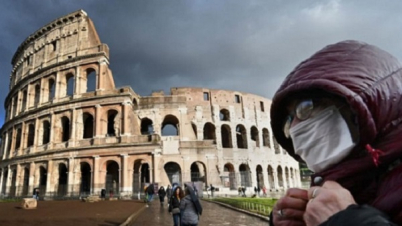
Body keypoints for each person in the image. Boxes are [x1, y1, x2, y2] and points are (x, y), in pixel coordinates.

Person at [269, 40, 402, 225]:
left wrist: (346, 221)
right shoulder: (350, 181)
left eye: (305, 107)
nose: (293, 129)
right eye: (288, 120)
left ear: (359, 103)